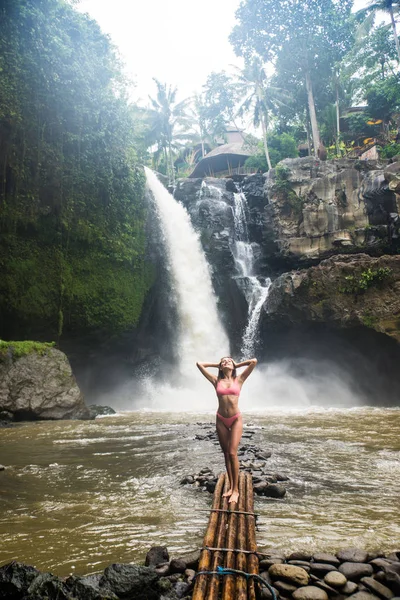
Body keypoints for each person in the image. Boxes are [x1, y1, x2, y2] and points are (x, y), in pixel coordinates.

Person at [196, 356, 257, 504]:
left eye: (228, 360)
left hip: (235, 418)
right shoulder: (216, 380)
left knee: (232, 452)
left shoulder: (239, 379)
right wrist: (217, 364)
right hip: (221, 419)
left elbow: (253, 361)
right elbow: (199, 363)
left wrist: (236, 364)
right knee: (225, 454)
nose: (226, 362)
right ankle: (230, 487)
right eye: (223, 361)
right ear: (220, 367)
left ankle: (236, 490)